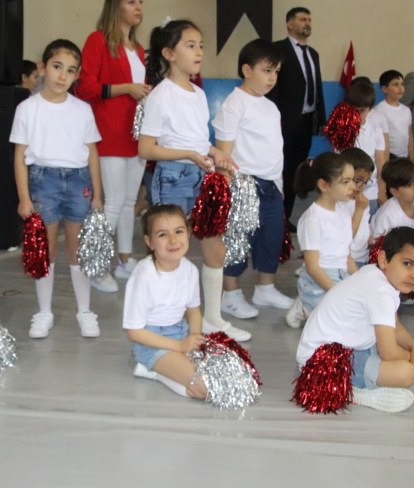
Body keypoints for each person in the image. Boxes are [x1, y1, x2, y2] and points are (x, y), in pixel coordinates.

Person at [138, 20, 249, 342]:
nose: (198, 52)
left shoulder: (198, 93)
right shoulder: (160, 96)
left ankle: (212, 318)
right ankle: (165, 319)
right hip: (173, 178)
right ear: (169, 53)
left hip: (202, 176)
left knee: (215, 246)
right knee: (172, 250)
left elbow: (199, 141)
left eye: (200, 45)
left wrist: (217, 153)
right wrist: (188, 154)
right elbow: (146, 148)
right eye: (190, 45)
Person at [10, 39, 104, 339]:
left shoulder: (82, 110)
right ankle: (44, 312)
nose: (63, 76)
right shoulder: (27, 108)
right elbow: (20, 155)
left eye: (71, 70)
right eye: (57, 67)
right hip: (43, 181)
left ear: (77, 75)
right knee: (45, 250)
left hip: (79, 182)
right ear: (43, 67)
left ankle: (85, 311)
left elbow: (92, 153)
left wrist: (98, 194)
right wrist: (24, 197)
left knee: (78, 250)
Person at [296, 227, 414, 413]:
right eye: (407, 264)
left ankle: (366, 379)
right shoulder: (380, 291)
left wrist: (413, 348)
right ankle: (350, 391)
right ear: (384, 259)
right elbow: (388, 352)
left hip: (343, 345)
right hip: (326, 362)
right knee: (406, 374)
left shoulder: (375, 273)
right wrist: (411, 360)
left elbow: (395, 325)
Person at [211, 39, 294, 320]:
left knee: (271, 237)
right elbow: (223, 153)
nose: (272, 78)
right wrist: (226, 190)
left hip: (271, 185)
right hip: (243, 184)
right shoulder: (234, 104)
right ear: (247, 70)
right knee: (237, 240)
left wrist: (279, 184)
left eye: (276, 72)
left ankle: (265, 288)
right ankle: (231, 294)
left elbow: (274, 149)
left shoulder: (271, 107)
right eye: (266, 70)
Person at [76, 0, 151, 293]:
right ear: (115, 6)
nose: (138, 7)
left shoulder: (138, 48)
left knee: (130, 202)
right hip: (109, 131)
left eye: (141, 2)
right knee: (115, 202)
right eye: (131, 2)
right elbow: (85, 87)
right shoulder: (98, 41)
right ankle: (95, 267)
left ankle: (124, 260)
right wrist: (126, 88)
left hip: (135, 133)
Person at [123, 204, 207, 399]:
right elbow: (134, 332)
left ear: (188, 233)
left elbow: (193, 311)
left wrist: (194, 338)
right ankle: (153, 370)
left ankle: (164, 370)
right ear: (149, 242)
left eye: (179, 231)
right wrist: (179, 346)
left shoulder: (190, 270)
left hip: (181, 333)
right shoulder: (144, 275)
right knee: (205, 388)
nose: (173, 240)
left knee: (226, 374)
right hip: (151, 342)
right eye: (162, 235)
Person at [266, 6, 325, 231]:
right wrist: (273, 118)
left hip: (306, 121)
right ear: (289, 24)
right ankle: (274, 216)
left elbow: (316, 87)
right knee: (280, 168)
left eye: (309, 19)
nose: (307, 23)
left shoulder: (313, 54)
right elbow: (272, 88)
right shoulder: (277, 49)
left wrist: (321, 118)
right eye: (302, 19)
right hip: (283, 121)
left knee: (296, 171)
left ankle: (287, 216)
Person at [285, 152, 357, 329]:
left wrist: (358, 280)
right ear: (324, 185)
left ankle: (314, 308)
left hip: (341, 274)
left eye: (353, 180)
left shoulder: (344, 211)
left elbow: (346, 254)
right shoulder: (313, 219)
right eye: (345, 182)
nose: (353, 187)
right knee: (341, 325)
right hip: (318, 279)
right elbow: (312, 267)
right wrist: (335, 292)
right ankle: (305, 307)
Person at [346, 81, 387, 210]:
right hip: (348, 190)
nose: (357, 115)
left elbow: (381, 164)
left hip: (371, 190)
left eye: (362, 111)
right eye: (354, 111)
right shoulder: (342, 131)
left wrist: (382, 190)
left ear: (370, 108)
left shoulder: (376, 131)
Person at [340, 147, 375, 268]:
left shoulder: (362, 202)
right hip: (346, 261)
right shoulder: (339, 203)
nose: (362, 186)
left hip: (362, 258)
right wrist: (359, 210)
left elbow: (362, 230)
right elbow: (345, 237)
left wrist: (370, 240)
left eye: (366, 181)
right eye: (358, 180)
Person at [373, 70, 414, 160]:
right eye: (395, 84)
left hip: (404, 156)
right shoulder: (379, 110)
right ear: (385, 89)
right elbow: (379, 139)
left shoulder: (406, 110)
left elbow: (410, 135)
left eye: (402, 84)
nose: (400, 88)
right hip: (389, 156)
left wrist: (412, 159)